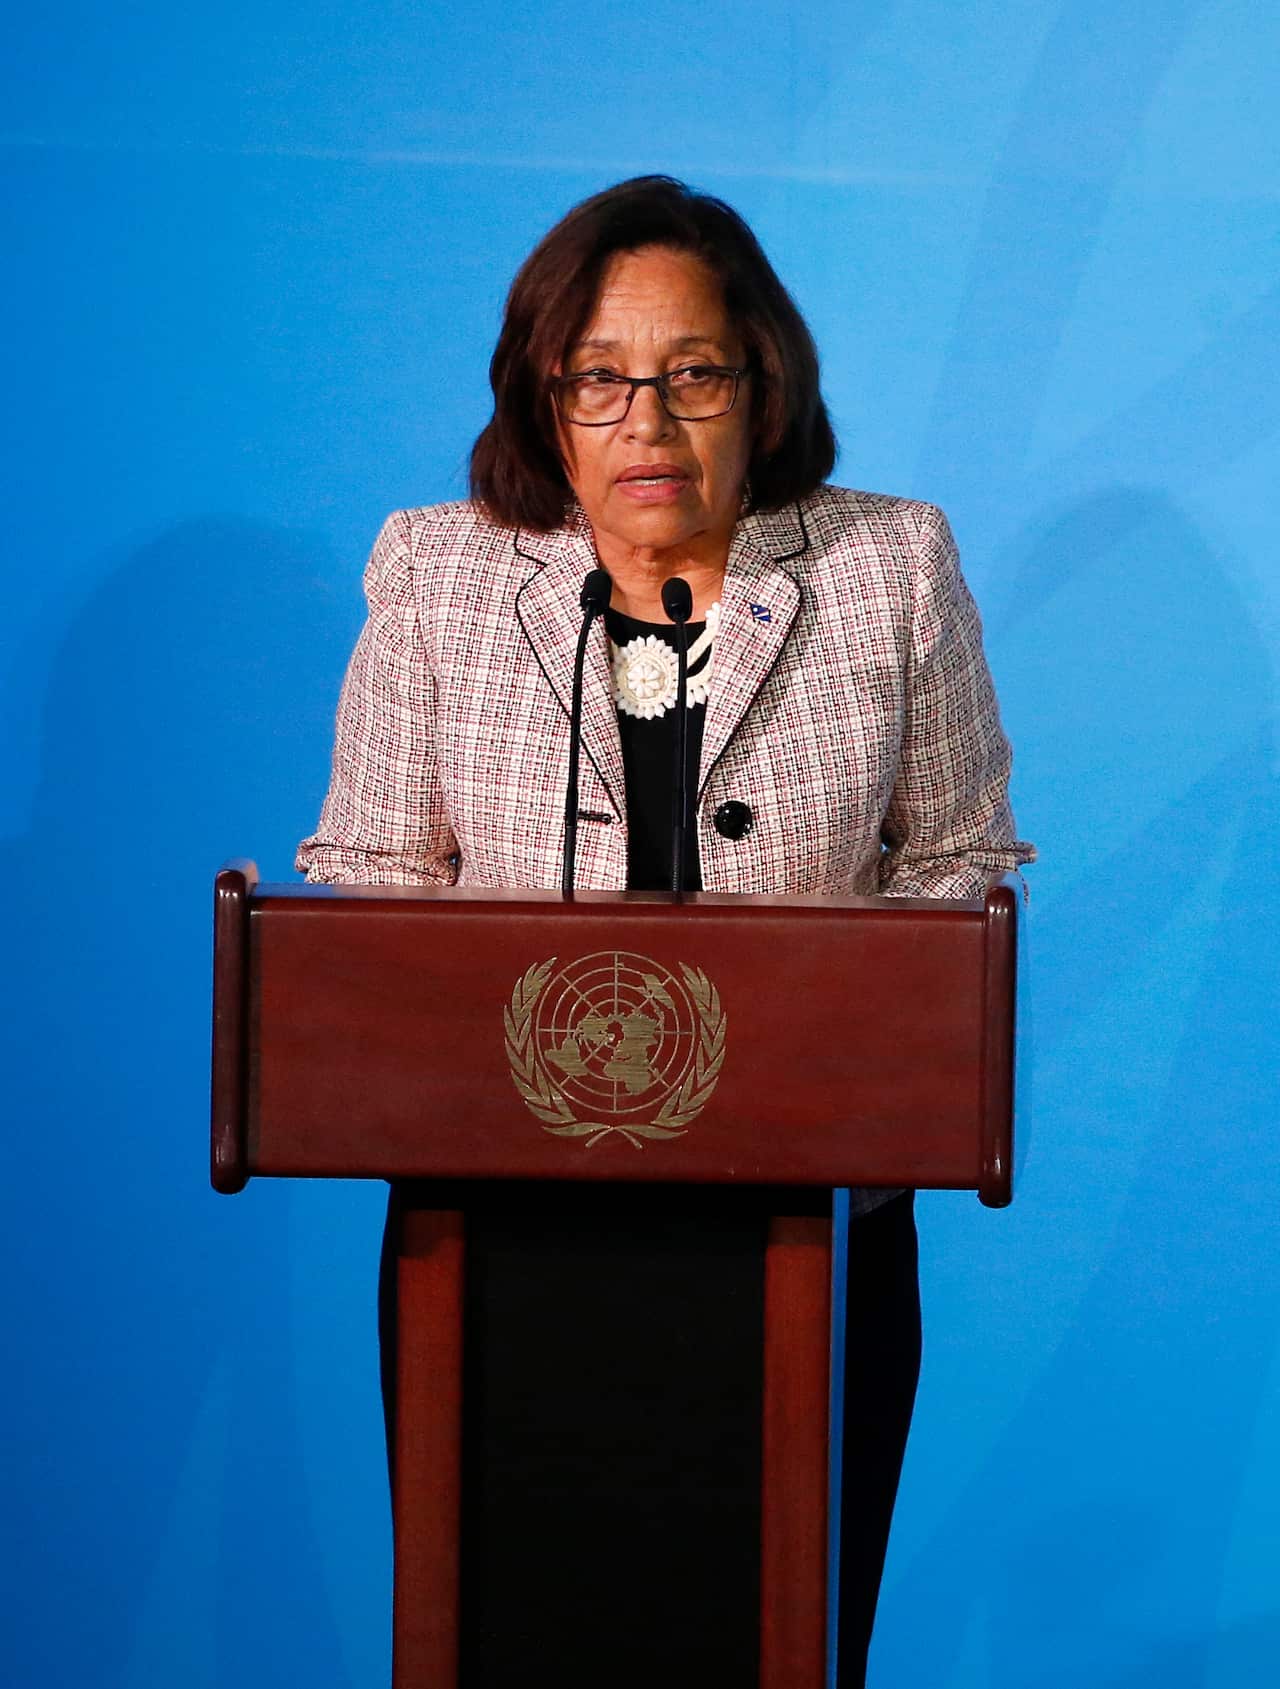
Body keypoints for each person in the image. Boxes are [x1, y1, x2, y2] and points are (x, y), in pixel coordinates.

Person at [297, 175, 1033, 1687]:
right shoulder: (438, 575)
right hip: (495, 1249)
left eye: (694, 373)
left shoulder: (888, 566)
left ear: (764, 387)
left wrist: (822, 1059)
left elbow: (964, 865)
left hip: (803, 1241)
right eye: (601, 379)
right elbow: (368, 885)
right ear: (544, 398)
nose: (648, 420)